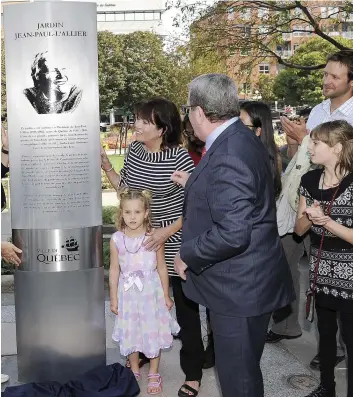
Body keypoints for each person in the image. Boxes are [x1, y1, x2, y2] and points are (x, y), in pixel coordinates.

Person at [174, 74, 294, 397]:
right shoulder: (238, 138)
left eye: (189, 110)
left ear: (199, 112)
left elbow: (233, 232)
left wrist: (188, 253)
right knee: (243, 374)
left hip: (239, 290)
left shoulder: (229, 152)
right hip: (244, 282)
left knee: (239, 381)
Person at [101, 98, 207, 396]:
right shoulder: (134, 150)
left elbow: (196, 204)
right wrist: (107, 166)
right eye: (138, 119)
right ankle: (143, 354)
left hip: (174, 243)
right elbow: (127, 191)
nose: (137, 125)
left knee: (185, 311)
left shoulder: (179, 157)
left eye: (145, 121)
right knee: (141, 306)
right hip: (139, 242)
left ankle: (194, 373)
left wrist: (166, 232)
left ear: (162, 128)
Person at [281, 49, 353, 369]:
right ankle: (290, 326)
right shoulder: (318, 109)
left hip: (342, 201)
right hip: (305, 191)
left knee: (339, 279)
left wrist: (305, 135)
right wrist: (296, 141)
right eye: (325, 73)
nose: (326, 80)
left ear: (351, 82)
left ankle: (338, 347)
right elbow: (303, 157)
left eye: (334, 76)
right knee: (297, 259)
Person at [295, 120, 353, 397]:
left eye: (317, 142)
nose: (310, 147)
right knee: (326, 336)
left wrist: (326, 222)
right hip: (320, 272)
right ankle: (326, 388)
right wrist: (309, 217)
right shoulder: (308, 181)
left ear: (338, 148)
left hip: (351, 276)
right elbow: (298, 230)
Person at [109, 187, 179, 395]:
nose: (132, 217)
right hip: (127, 295)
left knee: (151, 330)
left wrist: (166, 295)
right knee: (131, 331)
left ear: (146, 212)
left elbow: (162, 267)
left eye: (137, 212)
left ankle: (154, 372)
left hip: (151, 293)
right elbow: (114, 270)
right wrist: (113, 298)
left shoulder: (153, 238)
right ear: (121, 213)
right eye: (128, 212)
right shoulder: (116, 240)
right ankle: (135, 369)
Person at [181, 114, 215, 370]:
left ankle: (214, 345)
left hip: (209, 236)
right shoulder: (188, 153)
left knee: (213, 300)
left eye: (193, 127)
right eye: (187, 129)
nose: (191, 132)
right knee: (190, 300)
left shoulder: (212, 152)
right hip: (191, 232)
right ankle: (196, 345)